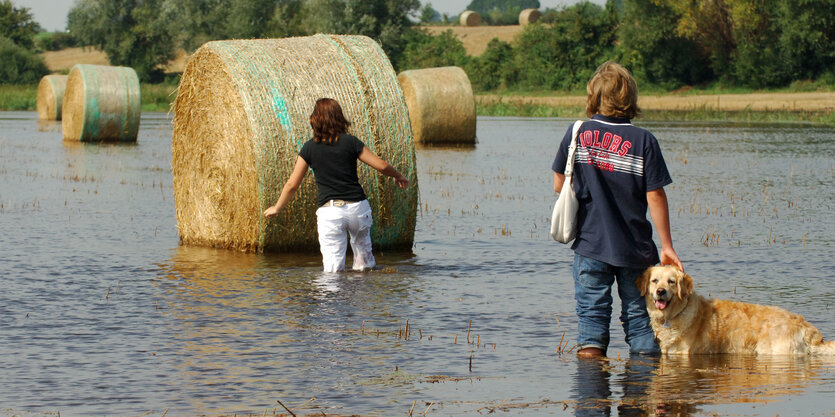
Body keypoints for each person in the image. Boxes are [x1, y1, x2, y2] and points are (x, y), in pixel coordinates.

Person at [551, 62, 684, 359]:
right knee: (640, 323)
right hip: (635, 250)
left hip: (590, 246)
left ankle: (591, 396)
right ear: (630, 98)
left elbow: (560, 185)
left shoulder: (577, 133)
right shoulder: (644, 141)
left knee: (591, 322)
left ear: (594, 97)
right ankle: (640, 393)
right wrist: (667, 245)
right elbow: (655, 194)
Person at [264, 98, 410, 272]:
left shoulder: (309, 148)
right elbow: (382, 165)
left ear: (315, 120)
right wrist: (398, 175)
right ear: (339, 118)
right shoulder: (351, 142)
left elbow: (292, 185)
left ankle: (335, 298)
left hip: (330, 212)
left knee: (333, 270)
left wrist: (277, 208)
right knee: (365, 265)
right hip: (358, 208)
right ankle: (363, 297)